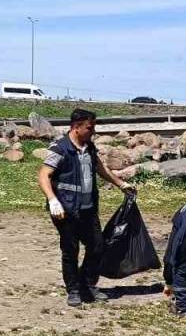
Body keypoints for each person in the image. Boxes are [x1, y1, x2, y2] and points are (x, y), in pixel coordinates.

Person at [38, 108, 137, 307]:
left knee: (97, 246)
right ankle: (73, 290)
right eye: (89, 128)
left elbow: (100, 168)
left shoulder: (89, 147)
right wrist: (52, 200)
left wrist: (120, 184)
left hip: (88, 209)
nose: (93, 132)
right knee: (70, 249)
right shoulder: (60, 148)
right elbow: (43, 175)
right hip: (66, 210)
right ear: (76, 127)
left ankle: (87, 284)